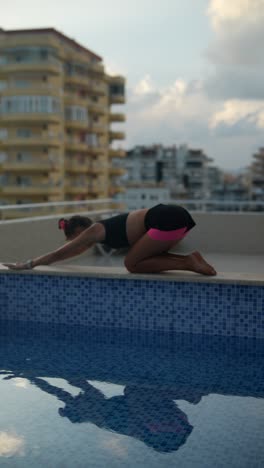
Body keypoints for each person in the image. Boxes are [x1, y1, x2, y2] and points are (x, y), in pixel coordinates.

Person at [3, 203, 217, 275]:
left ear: (80, 230)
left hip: (165, 218)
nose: (73, 243)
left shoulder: (95, 229)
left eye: (72, 238)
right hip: (176, 219)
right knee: (143, 259)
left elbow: (64, 252)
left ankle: (189, 261)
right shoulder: (101, 233)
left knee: (131, 263)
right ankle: (190, 260)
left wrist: (29, 264)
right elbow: (75, 251)